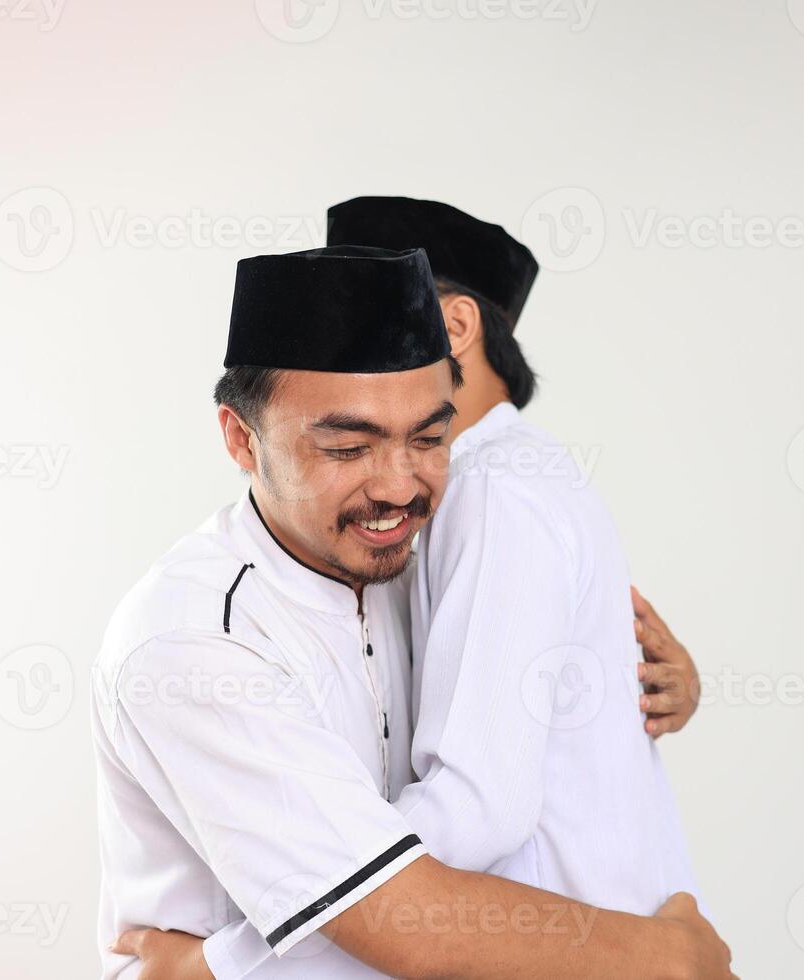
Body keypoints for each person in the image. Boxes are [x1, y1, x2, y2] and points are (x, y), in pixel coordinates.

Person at [92, 245, 733, 980]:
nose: (399, 487)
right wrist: (666, 958)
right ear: (241, 438)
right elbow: (405, 917)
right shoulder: (194, 643)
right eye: (349, 446)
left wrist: (649, 681)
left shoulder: (400, 561)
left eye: (430, 438)